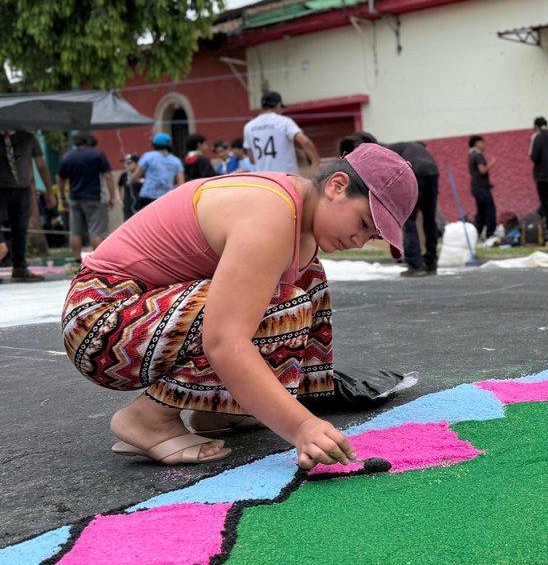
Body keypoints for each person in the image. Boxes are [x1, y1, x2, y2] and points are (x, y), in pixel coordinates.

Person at [62, 143, 417, 467]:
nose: (358, 241)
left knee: (308, 279)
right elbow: (225, 342)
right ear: (336, 186)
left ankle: (219, 409)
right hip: (99, 323)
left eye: (371, 236)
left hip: (136, 313)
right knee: (281, 304)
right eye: (363, 223)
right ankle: (148, 418)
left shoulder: (298, 213)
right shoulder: (272, 214)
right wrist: (302, 426)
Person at [0, 128, 57, 282]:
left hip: (22, 189)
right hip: (1, 188)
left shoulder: (28, 137)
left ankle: (20, 266)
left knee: (20, 228)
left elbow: (41, 165)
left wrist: (49, 191)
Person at [56, 132, 116, 263]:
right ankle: (99, 261)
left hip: (75, 198)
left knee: (75, 231)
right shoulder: (97, 155)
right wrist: (112, 196)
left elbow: (60, 179)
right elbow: (108, 176)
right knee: (96, 231)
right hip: (95, 197)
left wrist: (62, 197)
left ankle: (77, 260)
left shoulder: (68, 157)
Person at [388, 140, 441, 276]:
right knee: (429, 218)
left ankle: (416, 265)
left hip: (415, 172)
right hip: (432, 171)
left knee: (408, 219)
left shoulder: (385, 150)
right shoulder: (415, 148)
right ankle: (431, 262)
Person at [243, 91, 320, 175]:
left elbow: (252, 159)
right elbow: (305, 141)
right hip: (286, 177)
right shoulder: (284, 122)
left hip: (265, 179)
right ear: (278, 105)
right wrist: (315, 163)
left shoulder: (249, 126)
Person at [133, 133, 184, 210]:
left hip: (147, 196)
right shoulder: (176, 161)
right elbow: (181, 184)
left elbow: (135, 176)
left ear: (154, 144)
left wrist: (134, 180)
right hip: (166, 197)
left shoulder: (148, 156)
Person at [468, 134, 497, 240]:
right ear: (476, 143)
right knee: (489, 209)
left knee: (481, 211)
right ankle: (490, 233)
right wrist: (492, 163)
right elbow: (482, 170)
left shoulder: (471, 155)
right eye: (482, 142)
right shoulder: (478, 155)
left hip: (476, 187)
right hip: (482, 187)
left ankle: (477, 233)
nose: (484, 145)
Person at [117, 154, 142, 221]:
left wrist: (137, 180)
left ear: (137, 163)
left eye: (129, 163)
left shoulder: (143, 174)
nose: (126, 165)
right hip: (128, 207)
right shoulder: (124, 175)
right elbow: (118, 186)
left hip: (140, 206)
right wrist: (119, 199)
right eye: (125, 163)